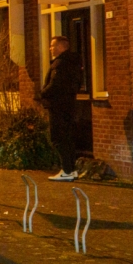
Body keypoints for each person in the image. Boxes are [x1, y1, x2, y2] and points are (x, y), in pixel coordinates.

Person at [40, 36, 83, 181]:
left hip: (58, 106)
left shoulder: (60, 64)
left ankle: (66, 170)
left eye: (52, 46)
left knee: (58, 138)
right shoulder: (74, 63)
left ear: (61, 47)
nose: (50, 49)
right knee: (68, 137)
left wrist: (42, 93)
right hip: (68, 105)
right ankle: (72, 169)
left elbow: (55, 85)